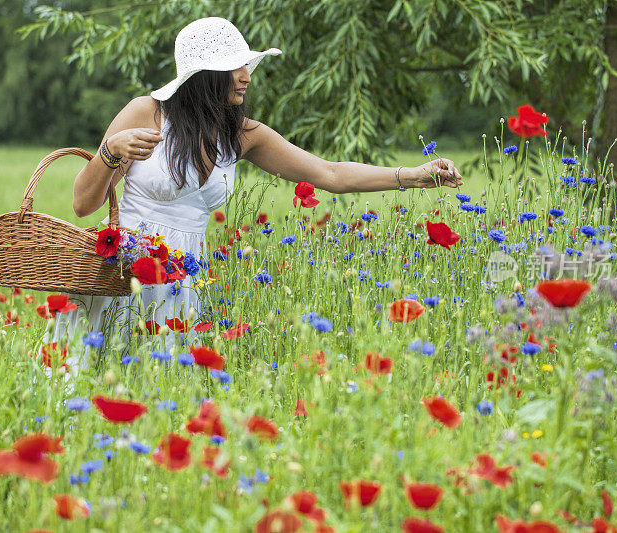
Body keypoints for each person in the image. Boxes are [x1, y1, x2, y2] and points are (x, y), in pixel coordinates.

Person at [39, 16, 463, 372]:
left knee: (157, 397)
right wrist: (110, 153)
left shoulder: (242, 135)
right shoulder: (146, 113)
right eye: (234, 67)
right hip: (123, 272)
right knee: (92, 380)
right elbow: (83, 203)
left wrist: (416, 174)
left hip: (181, 279)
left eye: (245, 65)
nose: (246, 76)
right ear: (204, 77)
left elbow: (332, 174)